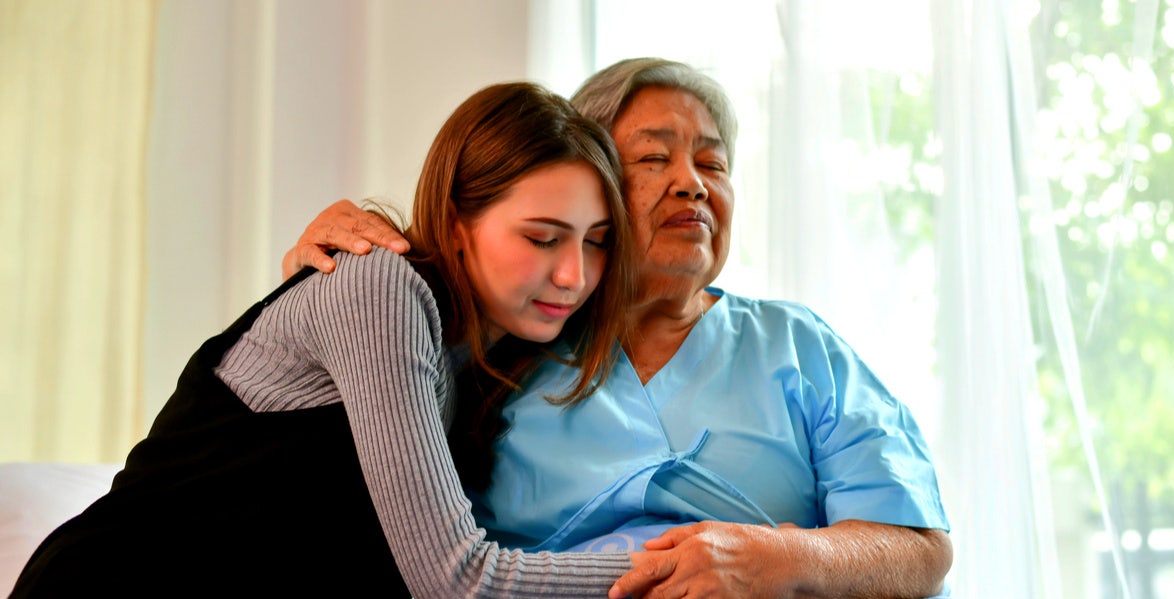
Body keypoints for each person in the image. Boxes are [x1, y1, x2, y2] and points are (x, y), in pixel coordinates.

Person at [286, 58, 954, 598]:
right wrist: (317, 275)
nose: (692, 183)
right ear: (590, 185)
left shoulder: (800, 346)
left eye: (713, 164)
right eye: (655, 159)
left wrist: (780, 556)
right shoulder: (498, 353)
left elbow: (922, 551)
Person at [11, 82, 642, 598]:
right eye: (542, 237)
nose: (575, 274)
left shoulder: (495, 354)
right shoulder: (379, 287)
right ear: (454, 223)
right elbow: (458, 579)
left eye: (597, 239)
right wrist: (691, 568)